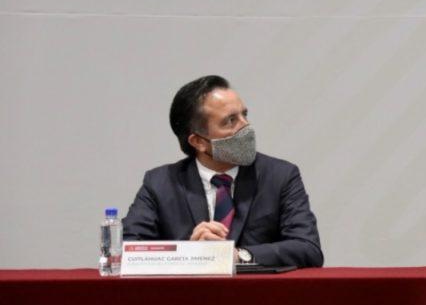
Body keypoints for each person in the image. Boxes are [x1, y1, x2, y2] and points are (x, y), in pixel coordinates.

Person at [122, 75, 324, 268]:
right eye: (231, 121)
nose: (246, 127)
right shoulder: (160, 184)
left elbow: (308, 248)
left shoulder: (280, 176)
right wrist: (188, 253)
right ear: (198, 141)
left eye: (244, 114)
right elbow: (126, 250)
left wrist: (238, 256)